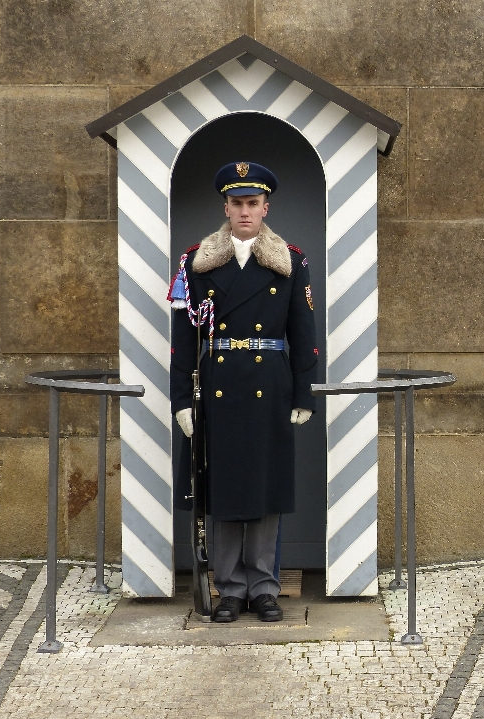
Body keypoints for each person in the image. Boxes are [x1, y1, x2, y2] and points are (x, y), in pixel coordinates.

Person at [169, 161, 317, 623]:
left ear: (265, 207)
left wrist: (302, 394)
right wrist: (180, 399)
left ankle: (264, 588)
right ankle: (230, 588)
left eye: (253, 203)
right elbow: (183, 338)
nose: (245, 211)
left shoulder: (290, 259)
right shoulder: (197, 261)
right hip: (218, 387)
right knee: (224, 488)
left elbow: (303, 330)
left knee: (266, 488)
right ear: (226, 207)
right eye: (237, 203)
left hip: (268, 384)